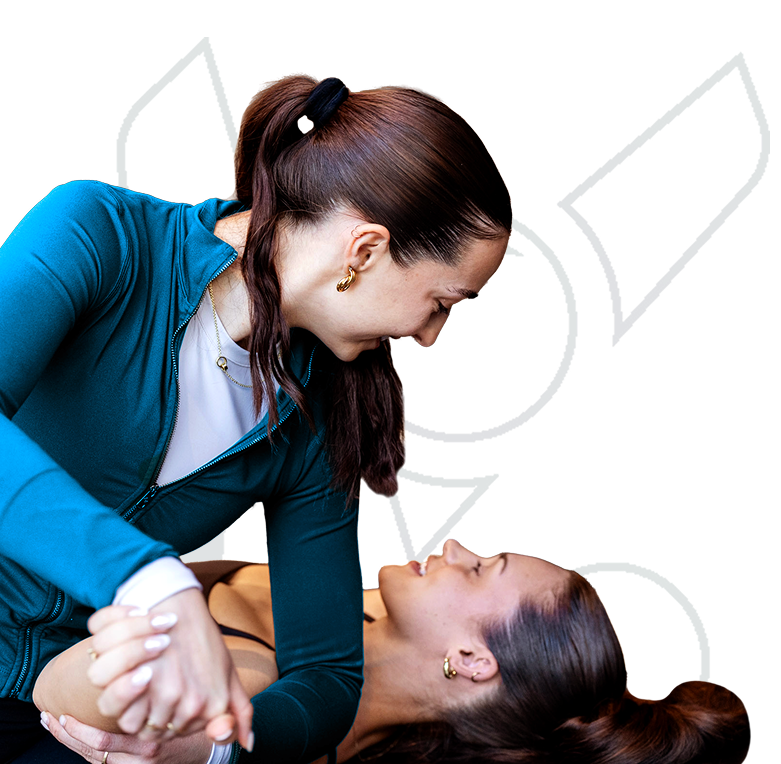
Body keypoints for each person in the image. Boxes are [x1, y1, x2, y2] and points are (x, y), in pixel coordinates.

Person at [0, 71, 511, 764]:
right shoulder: (99, 234)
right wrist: (148, 576)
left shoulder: (321, 415)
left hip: (58, 717)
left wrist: (205, 749)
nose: (428, 337)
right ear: (363, 251)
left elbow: (325, 681)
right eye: (442, 303)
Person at [32, 539, 751, 764]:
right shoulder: (357, 580)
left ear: (472, 661)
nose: (454, 547)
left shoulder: (257, 697)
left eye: (478, 568)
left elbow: (57, 696)